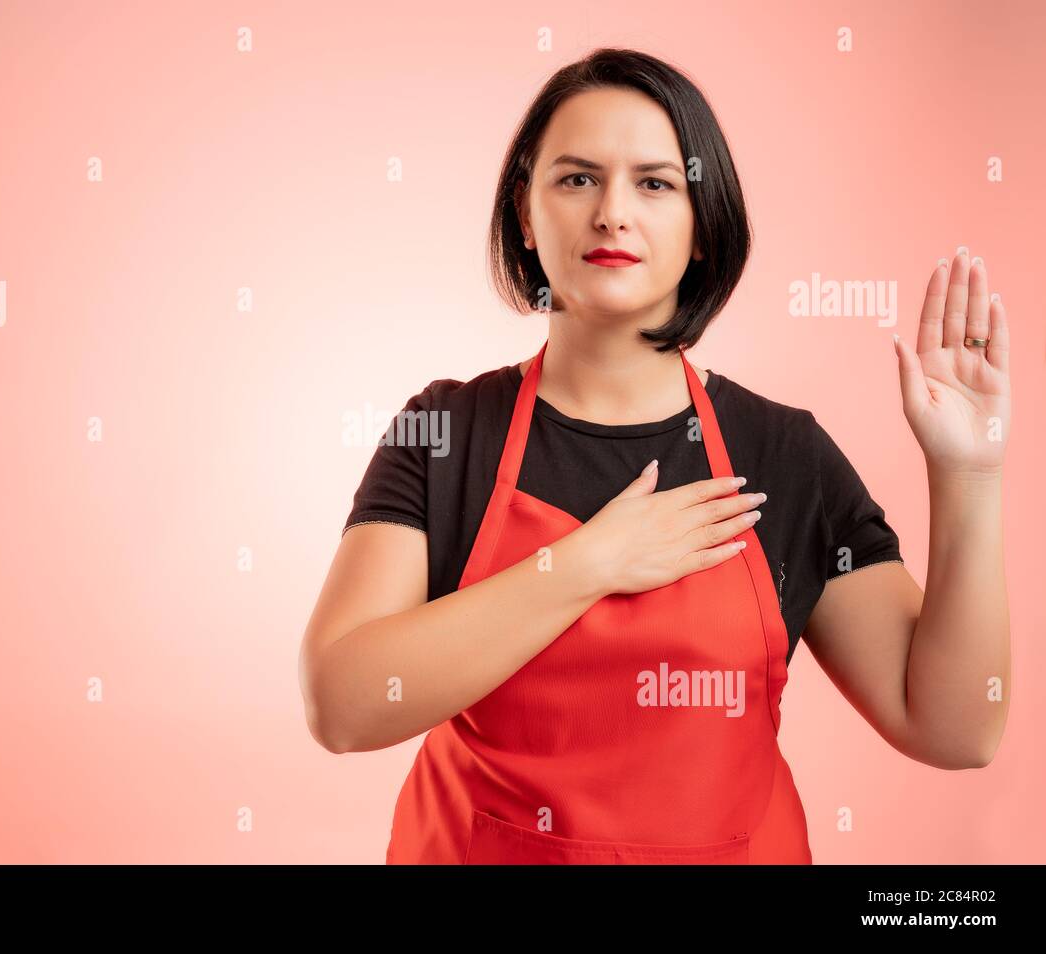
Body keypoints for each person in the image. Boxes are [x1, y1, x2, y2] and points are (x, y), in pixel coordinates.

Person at [298, 48, 1012, 864]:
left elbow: (956, 728)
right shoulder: (448, 433)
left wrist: (970, 475)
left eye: (655, 183)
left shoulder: (782, 455)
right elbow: (343, 707)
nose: (611, 212)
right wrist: (588, 563)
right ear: (525, 218)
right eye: (575, 179)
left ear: (704, 226)